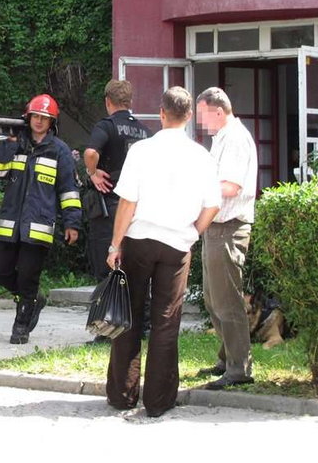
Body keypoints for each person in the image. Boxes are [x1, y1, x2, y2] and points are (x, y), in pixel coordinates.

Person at [105, 86, 220, 418]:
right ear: (187, 117)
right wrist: (192, 232)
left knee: (129, 318)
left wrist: (116, 244)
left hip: (139, 239)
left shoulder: (142, 150)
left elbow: (127, 202)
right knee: (166, 323)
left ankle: (123, 394)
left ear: (161, 114)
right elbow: (213, 205)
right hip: (177, 243)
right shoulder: (201, 155)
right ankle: (158, 400)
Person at [0, 94, 81, 344]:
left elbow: (69, 190)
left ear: (52, 122)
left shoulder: (59, 151)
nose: (39, 121)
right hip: (10, 223)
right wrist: (7, 145)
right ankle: (33, 300)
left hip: (38, 226)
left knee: (28, 276)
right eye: (36, 116)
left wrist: (72, 223)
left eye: (45, 118)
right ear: (28, 118)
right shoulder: (15, 144)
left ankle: (21, 326)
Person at [195, 87, 258, 390]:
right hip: (217, 227)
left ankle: (239, 367)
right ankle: (227, 358)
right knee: (212, 297)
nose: (200, 123)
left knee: (227, 300)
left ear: (218, 111)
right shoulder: (223, 137)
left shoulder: (234, 137)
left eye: (202, 116)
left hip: (229, 227)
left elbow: (230, 186)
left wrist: (197, 190)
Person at [83, 80, 151, 345]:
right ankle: (142, 326)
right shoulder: (145, 131)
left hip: (111, 206)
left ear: (108, 102)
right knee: (137, 269)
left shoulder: (106, 126)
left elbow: (90, 152)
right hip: (139, 208)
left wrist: (92, 172)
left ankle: (107, 329)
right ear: (130, 102)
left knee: (107, 266)